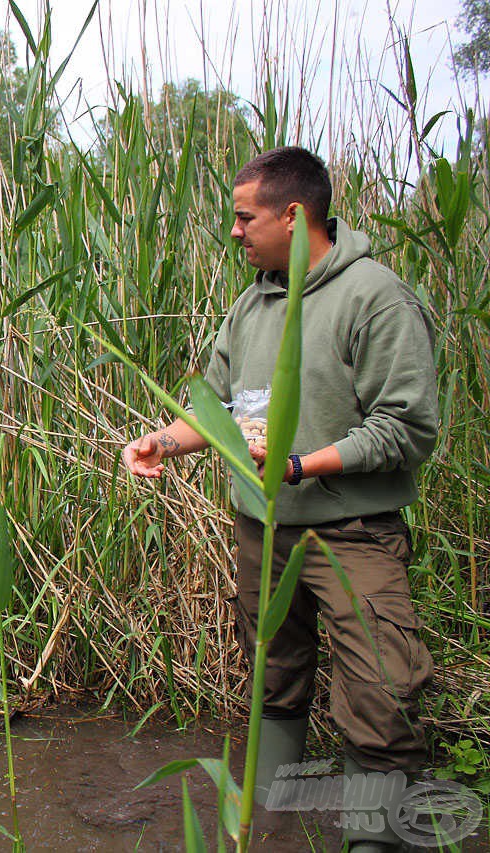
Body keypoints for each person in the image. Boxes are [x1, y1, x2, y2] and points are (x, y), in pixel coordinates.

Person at [121, 146, 439, 852]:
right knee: (275, 676)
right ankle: (270, 821)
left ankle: (374, 839)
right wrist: (163, 444)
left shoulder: (373, 296)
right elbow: (220, 408)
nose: (233, 231)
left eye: (244, 217)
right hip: (263, 531)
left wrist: (296, 465)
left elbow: (406, 429)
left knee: (382, 696)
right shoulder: (250, 302)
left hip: (351, 532)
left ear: (294, 216)